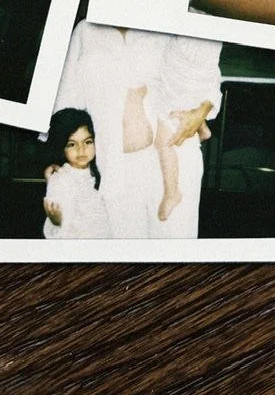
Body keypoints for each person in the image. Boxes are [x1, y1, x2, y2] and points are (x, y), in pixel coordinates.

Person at [51, 25, 222, 238]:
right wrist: (59, 162)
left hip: (173, 156)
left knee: (173, 250)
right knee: (126, 253)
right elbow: (67, 104)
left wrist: (201, 113)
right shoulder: (86, 31)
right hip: (116, 166)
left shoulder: (162, 23)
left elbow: (207, 76)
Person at [39, 110, 111, 240]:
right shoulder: (61, 179)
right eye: (72, 144)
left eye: (87, 142)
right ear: (61, 147)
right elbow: (59, 231)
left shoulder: (99, 170)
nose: (81, 150)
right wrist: (57, 223)